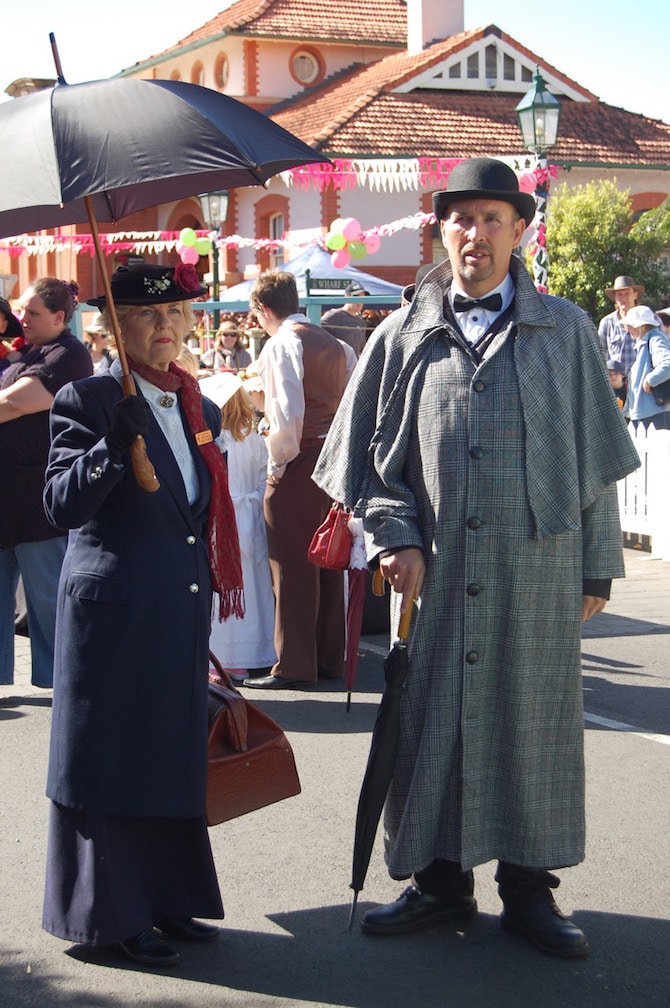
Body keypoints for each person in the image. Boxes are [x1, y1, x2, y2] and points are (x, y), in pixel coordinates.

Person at [313, 158, 640, 958]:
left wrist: (597, 567)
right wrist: (394, 537)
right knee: (436, 729)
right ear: (440, 231)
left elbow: (594, 461)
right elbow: (371, 467)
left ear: (520, 231)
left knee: (533, 731)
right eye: (463, 219)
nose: (478, 234)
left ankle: (531, 891)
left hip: (540, 572)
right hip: (436, 575)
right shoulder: (402, 334)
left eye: (494, 219)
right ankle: (437, 882)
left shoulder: (562, 330)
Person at [42, 262, 244, 968]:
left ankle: (165, 897)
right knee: (113, 761)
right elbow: (60, 505)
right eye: (146, 316)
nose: (166, 326)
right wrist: (107, 448)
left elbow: (194, 519)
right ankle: (110, 918)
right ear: (112, 327)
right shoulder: (88, 398)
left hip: (178, 608)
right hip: (114, 612)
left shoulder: (200, 407)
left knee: (167, 755)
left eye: (177, 314)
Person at [243, 269, 347, 689]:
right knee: (328, 558)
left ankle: (293, 665)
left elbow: (286, 413)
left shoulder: (283, 342)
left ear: (264, 309)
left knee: (290, 565)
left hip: (301, 456)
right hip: (331, 456)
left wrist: (277, 466)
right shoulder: (336, 345)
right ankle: (328, 659)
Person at [0, 278, 93, 688]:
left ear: (59, 317)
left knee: (49, 599)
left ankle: (69, 685)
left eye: (32, 312)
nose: (23, 319)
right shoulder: (27, 353)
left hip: (39, 503)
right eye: (21, 310)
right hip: (7, 499)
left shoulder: (68, 354)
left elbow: (16, 402)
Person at [200, 370, 276, 683]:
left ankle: (228, 658)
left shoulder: (214, 439)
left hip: (225, 516)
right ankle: (260, 651)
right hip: (251, 516)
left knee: (226, 587)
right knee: (255, 587)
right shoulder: (255, 435)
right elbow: (264, 476)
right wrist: (255, 504)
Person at [620, 305, 670, 430]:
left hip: (654, 413)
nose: (628, 328)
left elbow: (668, 363)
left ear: (642, 326)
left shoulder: (655, 338)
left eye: (631, 324)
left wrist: (650, 380)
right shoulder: (645, 341)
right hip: (647, 412)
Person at [598, 275, 645, 375]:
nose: (623, 298)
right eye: (619, 295)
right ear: (615, 297)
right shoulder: (607, 323)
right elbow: (599, 356)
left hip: (641, 383)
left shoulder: (647, 321)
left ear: (635, 295)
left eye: (627, 294)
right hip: (616, 384)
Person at [320, 281, 369, 357]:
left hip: (354, 366)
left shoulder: (361, 322)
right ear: (346, 296)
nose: (360, 301)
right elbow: (318, 336)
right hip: (336, 365)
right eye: (356, 296)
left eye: (363, 297)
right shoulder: (333, 316)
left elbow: (361, 349)